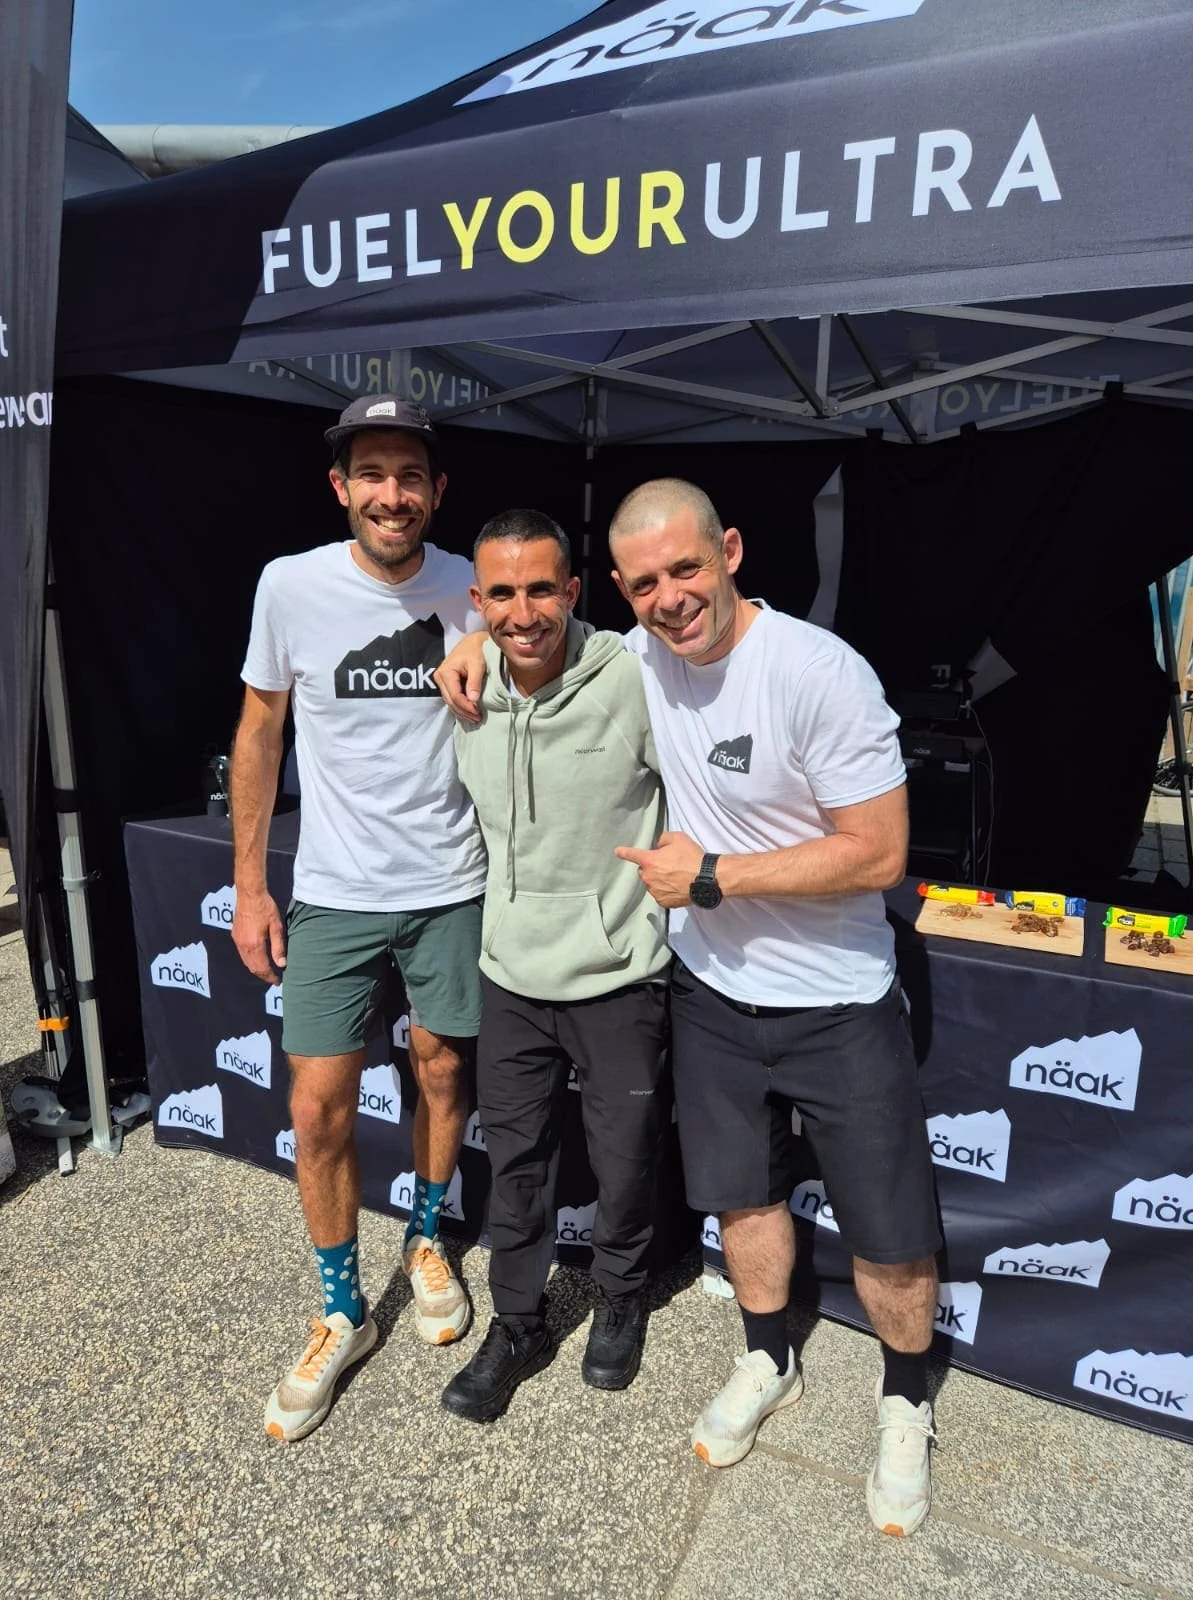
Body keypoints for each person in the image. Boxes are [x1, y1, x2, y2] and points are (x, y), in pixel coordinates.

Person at [436, 479, 942, 1537]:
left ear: (734, 552)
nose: (670, 597)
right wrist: (470, 642)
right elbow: (523, 631)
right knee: (746, 1205)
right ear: (618, 590)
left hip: (837, 1000)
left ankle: (906, 1397)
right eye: (648, 581)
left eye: (687, 568)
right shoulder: (637, 662)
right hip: (711, 993)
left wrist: (714, 874)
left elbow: (884, 851)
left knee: (891, 1233)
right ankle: (769, 1359)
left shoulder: (816, 670)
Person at [231, 396, 486, 1443]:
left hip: (453, 886)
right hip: (333, 890)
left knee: (441, 1071)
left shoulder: (475, 584)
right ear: (341, 486)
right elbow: (258, 729)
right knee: (321, 1105)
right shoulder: (289, 584)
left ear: (436, 490)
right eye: (371, 472)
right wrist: (251, 883)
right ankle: (341, 1305)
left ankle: (426, 1237)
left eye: (410, 474)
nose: (393, 492)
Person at [440, 509, 671, 1423]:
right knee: (518, 1162)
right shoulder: (466, 683)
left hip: (619, 975)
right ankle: (520, 1321)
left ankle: (620, 1295)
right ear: (477, 600)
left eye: (542, 588)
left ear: (574, 591)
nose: (523, 611)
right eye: (501, 593)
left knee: (624, 1159)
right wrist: (466, 646)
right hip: (510, 977)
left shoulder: (635, 677)